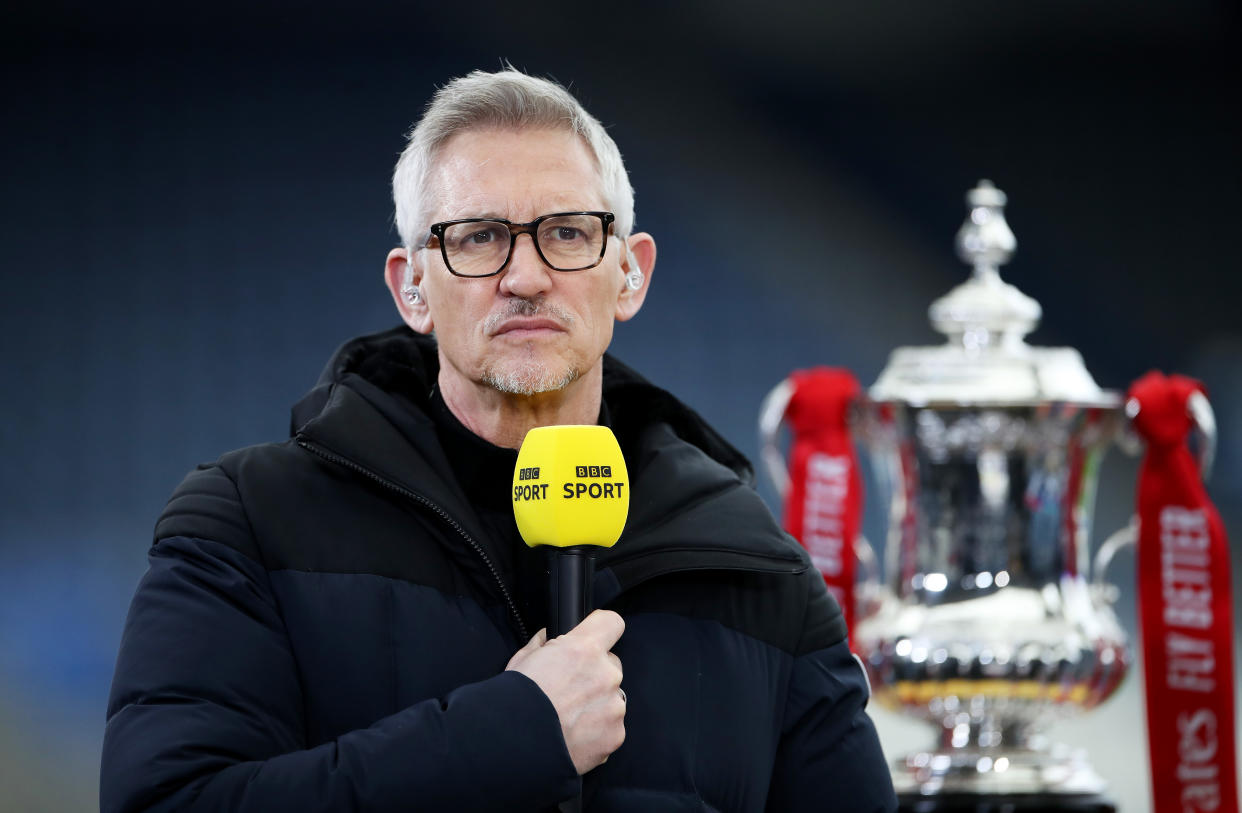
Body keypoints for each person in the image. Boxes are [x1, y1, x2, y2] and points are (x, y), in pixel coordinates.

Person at [101, 68, 896, 812]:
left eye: (568, 231)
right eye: (479, 236)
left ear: (631, 273)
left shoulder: (759, 568)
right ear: (413, 284)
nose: (524, 276)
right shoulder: (246, 521)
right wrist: (509, 734)